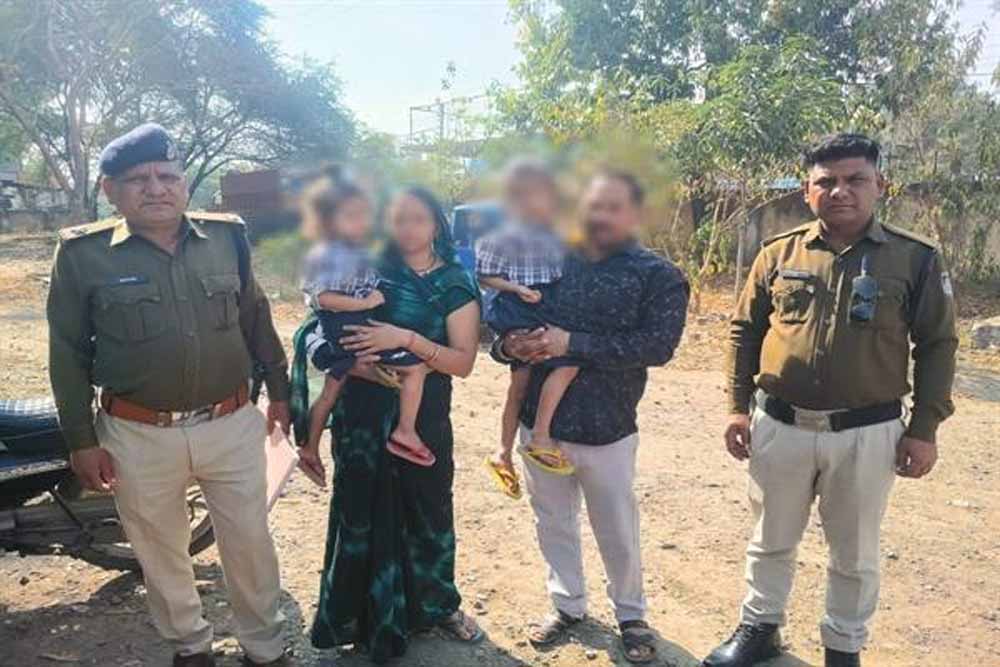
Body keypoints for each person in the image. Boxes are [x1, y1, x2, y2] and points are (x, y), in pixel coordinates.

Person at [703, 133, 958, 667]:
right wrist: (736, 406)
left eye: (855, 179)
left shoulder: (914, 258)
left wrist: (924, 429)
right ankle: (760, 629)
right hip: (780, 426)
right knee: (770, 538)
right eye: (827, 181)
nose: (841, 191)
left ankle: (843, 647)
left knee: (855, 552)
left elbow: (937, 345)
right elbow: (745, 331)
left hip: (867, 432)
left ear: (880, 185)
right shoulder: (778, 252)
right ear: (807, 190)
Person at [46, 123, 292, 667]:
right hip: (137, 432)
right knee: (159, 548)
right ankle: (190, 647)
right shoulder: (83, 255)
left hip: (230, 423)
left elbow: (255, 316)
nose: (156, 188)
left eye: (168, 176)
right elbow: (67, 351)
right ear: (110, 189)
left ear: (184, 183)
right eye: (139, 179)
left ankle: (265, 647)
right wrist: (81, 440)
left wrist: (280, 390)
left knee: (250, 541)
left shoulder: (227, 238)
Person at [493, 169, 690, 664]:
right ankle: (567, 604)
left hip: (607, 428)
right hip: (539, 425)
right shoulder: (549, 260)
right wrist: (508, 345)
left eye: (613, 206)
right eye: (593, 205)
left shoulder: (658, 275)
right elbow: (503, 321)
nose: (600, 215)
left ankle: (631, 615)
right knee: (552, 520)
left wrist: (573, 344)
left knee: (616, 526)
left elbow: (657, 346)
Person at [290, 186, 484, 663]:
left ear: (436, 224)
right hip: (361, 420)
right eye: (398, 219)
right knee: (360, 512)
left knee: (427, 509)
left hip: (423, 417)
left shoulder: (454, 282)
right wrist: (350, 364)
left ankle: (436, 606)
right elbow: (313, 327)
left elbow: (462, 363)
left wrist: (407, 339)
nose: (407, 229)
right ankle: (359, 616)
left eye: (418, 218)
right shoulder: (368, 268)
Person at [298, 174, 434, 467]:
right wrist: (366, 302)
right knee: (415, 368)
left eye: (364, 215)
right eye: (351, 216)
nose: (361, 222)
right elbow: (323, 298)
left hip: (348, 328)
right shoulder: (331, 254)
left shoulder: (355, 252)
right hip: (349, 328)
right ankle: (406, 432)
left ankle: (309, 447)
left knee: (329, 394)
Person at [477, 158, 574, 498]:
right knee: (522, 382)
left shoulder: (561, 235)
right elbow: (484, 277)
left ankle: (536, 438)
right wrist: (516, 288)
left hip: (552, 303)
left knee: (565, 365)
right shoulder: (498, 238)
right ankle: (507, 451)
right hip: (520, 305)